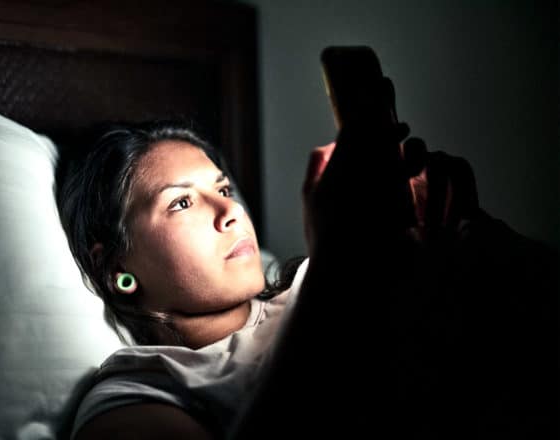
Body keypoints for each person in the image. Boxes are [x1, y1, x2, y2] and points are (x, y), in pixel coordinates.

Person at [57, 120, 557, 439]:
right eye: (181, 202)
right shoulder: (139, 392)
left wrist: (468, 232)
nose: (229, 210)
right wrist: (337, 269)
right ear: (115, 268)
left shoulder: (319, 277)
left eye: (224, 188)